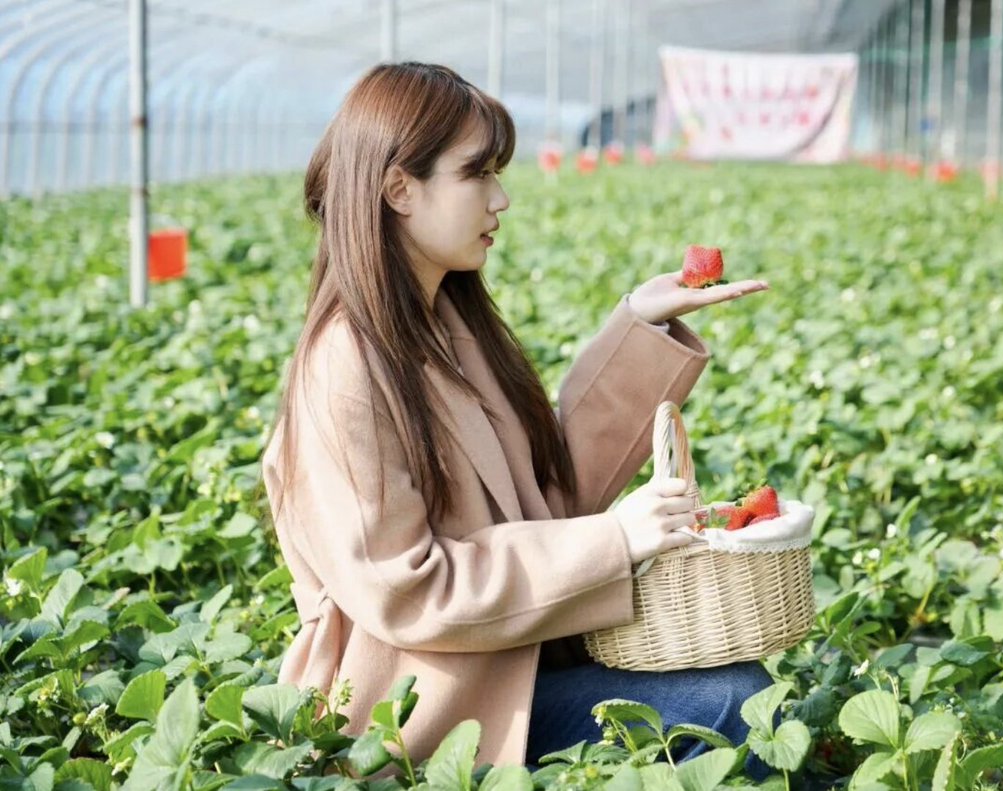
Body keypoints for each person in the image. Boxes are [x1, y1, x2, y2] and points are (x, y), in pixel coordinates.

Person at [261, 61, 774, 781]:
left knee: (735, 684)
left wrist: (639, 324)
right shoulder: (346, 366)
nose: (500, 199)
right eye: (477, 174)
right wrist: (615, 539)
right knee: (733, 700)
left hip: (502, 671)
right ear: (399, 189)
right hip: (418, 712)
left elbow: (544, 492)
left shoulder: (444, 323)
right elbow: (409, 590)